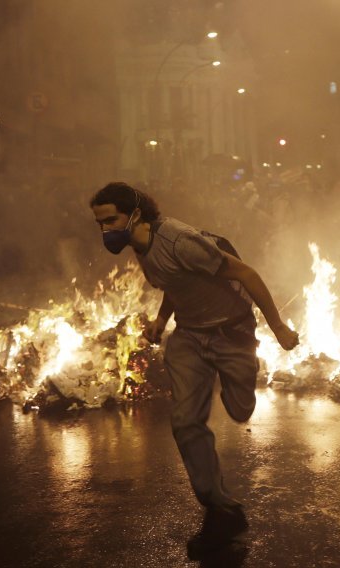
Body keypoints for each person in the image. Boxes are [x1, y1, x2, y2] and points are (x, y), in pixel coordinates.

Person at [90, 182, 299, 556]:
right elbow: (176, 281)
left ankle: (240, 380)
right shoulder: (139, 246)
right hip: (189, 336)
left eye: (111, 219)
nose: (106, 229)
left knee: (240, 409)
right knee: (186, 422)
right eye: (100, 223)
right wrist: (160, 321)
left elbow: (247, 275)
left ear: (135, 214)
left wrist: (278, 327)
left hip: (231, 332)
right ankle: (221, 509)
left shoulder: (181, 241)